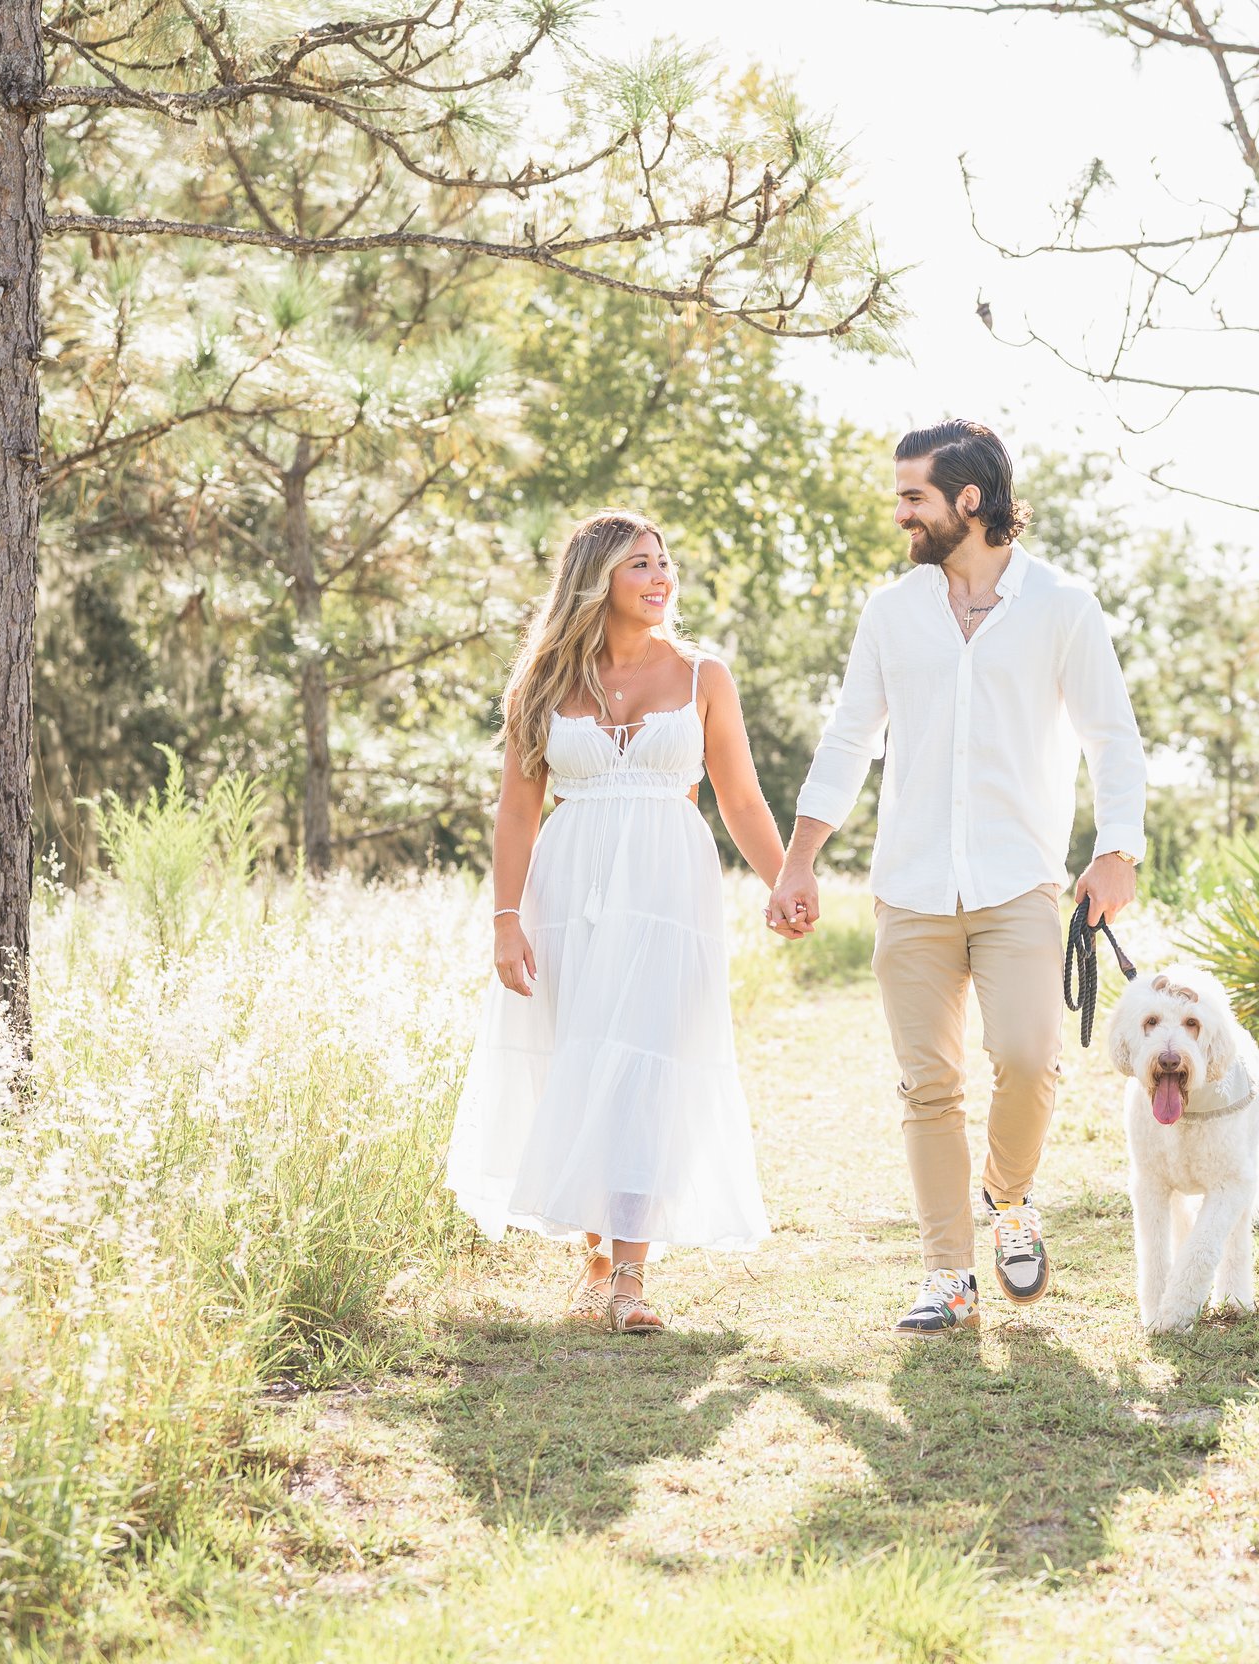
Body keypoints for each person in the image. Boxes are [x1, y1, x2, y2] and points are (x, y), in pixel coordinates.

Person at [767, 420, 1146, 1335]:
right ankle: (947, 1273)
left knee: (1027, 1057)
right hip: (910, 887)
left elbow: (1112, 736)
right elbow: (851, 737)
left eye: (913, 497)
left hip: (1020, 881)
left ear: (968, 501)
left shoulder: (1062, 605)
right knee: (928, 1087)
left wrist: (1117, 850)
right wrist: (800, 857)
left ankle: (1009, 1200)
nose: (900, 513)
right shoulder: (891, 611)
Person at [448, 509, 785, 1334]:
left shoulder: (705, 676)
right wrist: (504, 920)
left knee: (649, 1063)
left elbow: (739, 797)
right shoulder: (542, 685)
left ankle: (631, 1277)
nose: (661, 576)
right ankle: (597, 1254)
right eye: (640, 564)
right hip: (569, 890)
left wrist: (786, 880)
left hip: (670, 889)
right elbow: (518, 810)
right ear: (597, 579)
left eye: (664, 561)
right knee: (586, 1056)